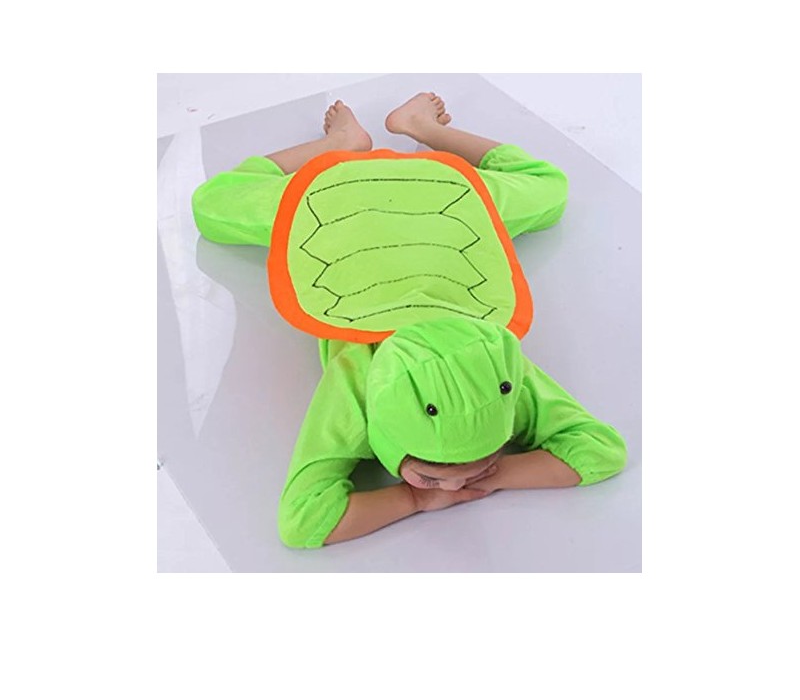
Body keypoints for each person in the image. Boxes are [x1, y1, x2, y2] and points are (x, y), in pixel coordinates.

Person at [192, 92, 627, 549]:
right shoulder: (358, 382)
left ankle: (415, 128)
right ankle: (350, 142)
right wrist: (414, 499)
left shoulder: (493, 362)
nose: (456, 490)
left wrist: (494, 475)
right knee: (211, 204)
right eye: (430, 478)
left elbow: (603, 450)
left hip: (441, 199)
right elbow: (302, 523)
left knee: (550, 187)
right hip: (338, 201)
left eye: (482, 466)